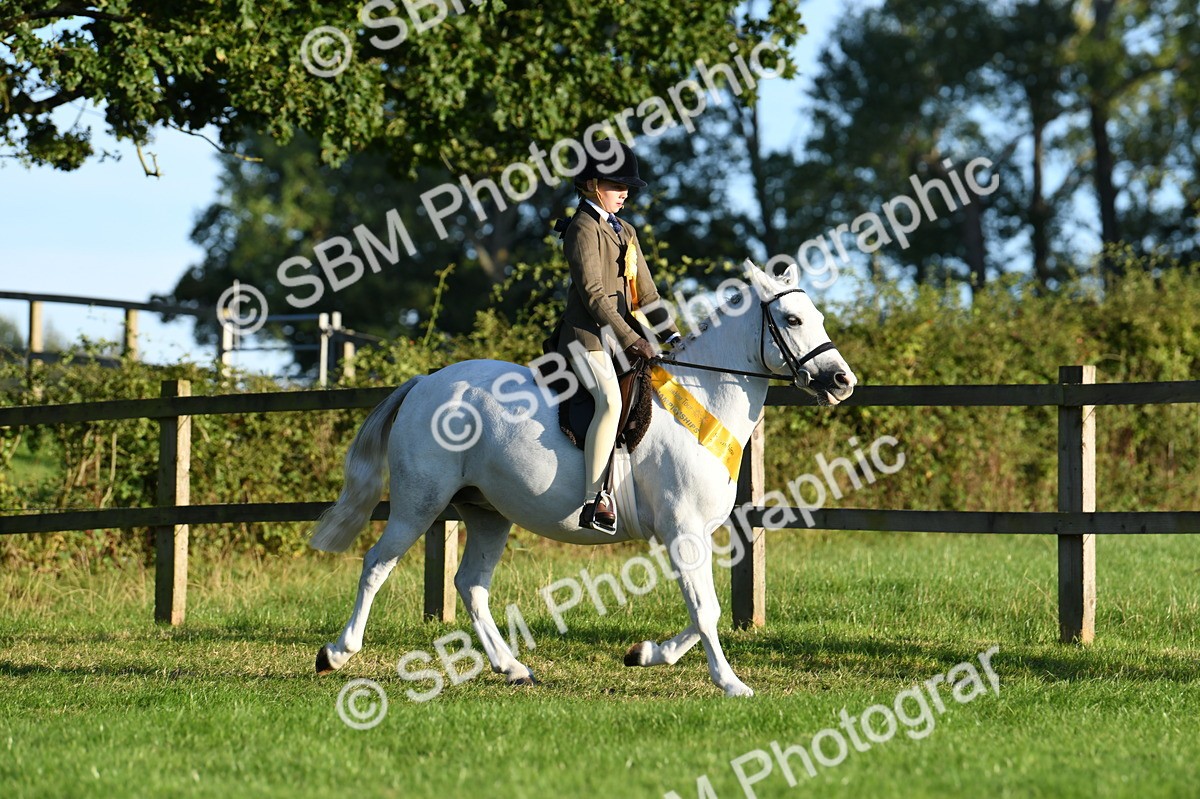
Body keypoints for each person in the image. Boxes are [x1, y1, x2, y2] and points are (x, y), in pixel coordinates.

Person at [546, 139, 681, 533]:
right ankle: (594, 500)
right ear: (590, 184)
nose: (624, 193)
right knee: (608, 401)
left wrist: (672, 337)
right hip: (586, 337)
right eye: (614, 185)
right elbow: (593, 297)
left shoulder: (626, 230)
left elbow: (648, 293)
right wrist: (632, 339)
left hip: (622, 337)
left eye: (627, 187)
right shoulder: (582, 228)